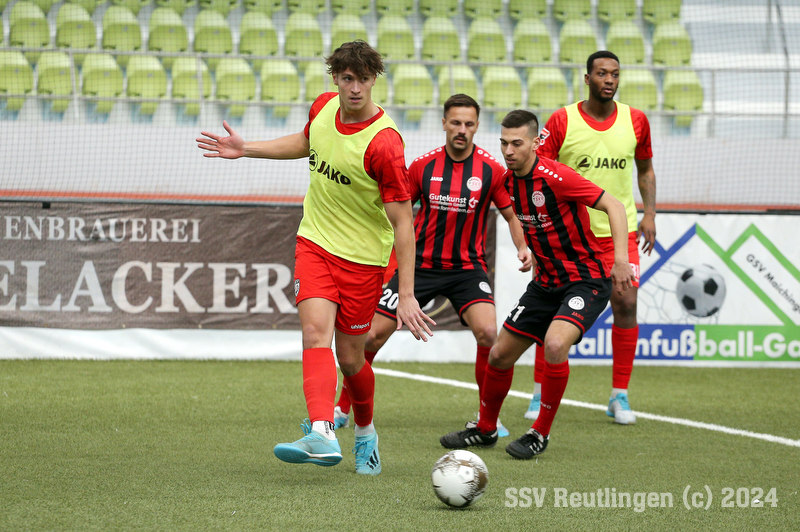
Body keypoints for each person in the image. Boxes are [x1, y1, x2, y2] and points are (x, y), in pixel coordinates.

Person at [196, 41, 435, 475]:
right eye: (347, 78)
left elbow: (403, 223)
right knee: (313, 333)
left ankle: (365, 431)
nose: (355, 88)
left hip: (363, 261)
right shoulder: (323, 107)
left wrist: (406, 294)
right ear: (335, 79)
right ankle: (322, 431)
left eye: (363, 79)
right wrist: (246, 149)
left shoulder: (385, 143)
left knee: (352, 359)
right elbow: (306, 142)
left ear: (375, 80)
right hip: (315, 244)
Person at [331, 94, 532, 437]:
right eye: (455, 123)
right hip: (419, 267)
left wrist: (523, 246)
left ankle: (489, 417)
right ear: (443, 124)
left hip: (467, 270)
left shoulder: (491, 170)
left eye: (469, 124)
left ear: (477, 127)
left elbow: (512, 216)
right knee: (372, 336)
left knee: (488, 333)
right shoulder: (422, 167)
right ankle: (342, 407)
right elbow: (396, 213)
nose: (462, 130)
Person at [440, 110, 635, 459]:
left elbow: (615, 206)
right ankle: (486, 429)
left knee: (556, 344)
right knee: (499, 354)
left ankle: (539, 433)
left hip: (586, 280)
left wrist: (620, 260)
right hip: (546, 284)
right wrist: (526, 251)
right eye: (503, 143)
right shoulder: (507, 181)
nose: (508, 150)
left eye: (517, 143)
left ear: (535, 143)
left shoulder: (557, 176)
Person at [524, 50, 657, 425]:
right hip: (569, 237)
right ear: (587, 78)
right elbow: (538, 170)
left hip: (619, 232)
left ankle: (619, 395)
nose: (609, 80)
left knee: (626, 302)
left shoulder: (636, 120)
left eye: (615, 73)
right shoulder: (562, 120)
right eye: (601, 73)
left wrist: (650, 213)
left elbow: (645, 170)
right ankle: (539, 390)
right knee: (551, 309)